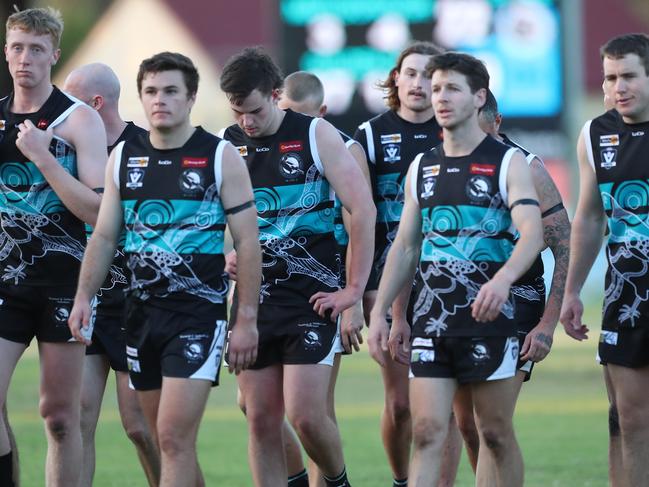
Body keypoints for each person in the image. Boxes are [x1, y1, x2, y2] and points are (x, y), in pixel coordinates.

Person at [68, 51, 261, 487]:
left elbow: (248, 241)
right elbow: (102, 237)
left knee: (172, 436)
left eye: (171, 91)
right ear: (141, 96)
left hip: (196, 318)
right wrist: (84, 297)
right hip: (138, 317)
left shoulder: (220, 155)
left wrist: (245, 320)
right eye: (152, 91)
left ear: (191, 97)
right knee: (163, 439)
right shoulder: (123, 159)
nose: (160, 100)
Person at [369, 52, 543, 487]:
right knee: (427, 431)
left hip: (489, 321)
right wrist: (383, 312)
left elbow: (532, 234)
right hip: (433, 320)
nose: (439, 97)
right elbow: (406, 246)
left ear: (478, 97)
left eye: (451, 88)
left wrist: (503, 280)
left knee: (495, 435)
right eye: (435, 88)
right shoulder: (422, 166)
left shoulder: (508, 162)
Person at [219, 47, 375, 487]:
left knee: (307, 416)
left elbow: (361, 210)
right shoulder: (225, 143)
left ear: (274, 94)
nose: (246, 122)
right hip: (254, 300)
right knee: (259, 418)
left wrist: (353, 291)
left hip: (313, 297)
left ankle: (337, 481)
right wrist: (225, 255)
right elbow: (211, 219)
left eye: (253, 110)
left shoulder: (315, 135)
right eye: (237, 112)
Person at [439, 89, 572, 478]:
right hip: (461, 306)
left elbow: (563, 245)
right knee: (467, 425)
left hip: (518, 304)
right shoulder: (445, 164)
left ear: (496, 122)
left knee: (491, 425)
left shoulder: (527, 168)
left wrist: (547, 324)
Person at [0, 7, 107, 486]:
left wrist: (44, 158)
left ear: (54, 56)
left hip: (65, 285)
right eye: (18, 48)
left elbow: (99, 212)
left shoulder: (78, 120)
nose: (26, 59)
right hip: (7, 281)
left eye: (37, 50)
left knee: (60, 418)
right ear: (6, 52)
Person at [355, 41, 463, 487]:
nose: (419, 84)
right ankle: (403, 479)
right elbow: (358, 217)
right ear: (395, 79)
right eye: (411, 73)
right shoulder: (370, 135)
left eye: (428, 76)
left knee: (448, 405)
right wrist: (364, 292)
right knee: (400, 404)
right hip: (388, 279)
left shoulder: (457, 131)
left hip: (448, 279)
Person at [62, 62, 160, 487]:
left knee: (138, 427)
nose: (63, 112)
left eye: (71, 102)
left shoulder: (144, 148)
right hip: (82, 299)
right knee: (73, 420)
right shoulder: (64, 150)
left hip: (132, 302)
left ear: (95, 103)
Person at [561, 33, 649, 487]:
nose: (619, 87)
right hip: (626, 296)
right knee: (627, 419)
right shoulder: (595, 134)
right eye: (610, 78)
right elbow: (589, 217)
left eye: (629, 75)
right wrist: (572, 290)